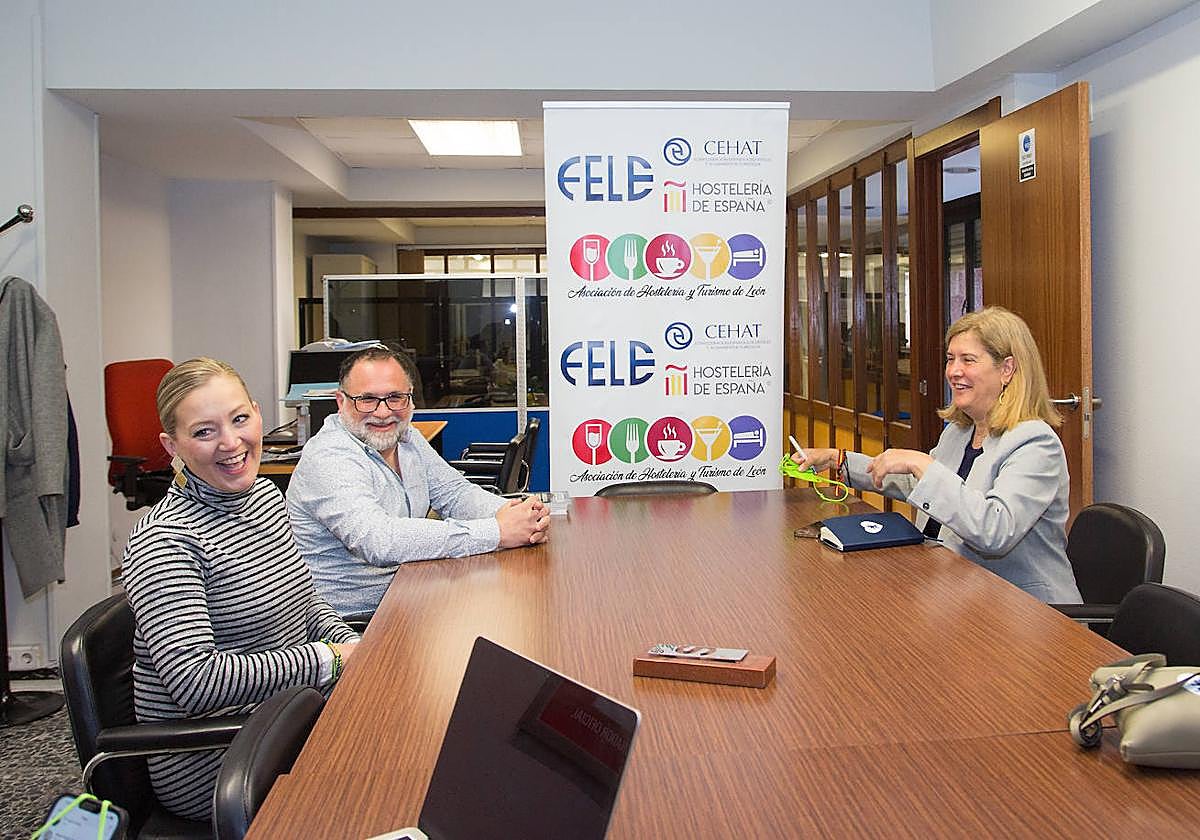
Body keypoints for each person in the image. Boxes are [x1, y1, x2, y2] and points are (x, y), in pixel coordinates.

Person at [121, 358, 359, 822]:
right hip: (219, 757)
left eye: (239, 419)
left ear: (257, 413)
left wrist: (350, 643)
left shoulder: (265, 499)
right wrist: (328, 660)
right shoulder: (166, 542)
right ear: (174, 445)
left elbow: (305, 606)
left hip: (288, 714)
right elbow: (196, 684)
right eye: (204, 432)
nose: (231, 443)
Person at [795, 306, 1081, 603]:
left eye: (968, 360)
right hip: (958, 590)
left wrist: (923, 463)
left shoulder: (1034, 442)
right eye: (950, 359)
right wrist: (838, 460)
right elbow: (924, 485)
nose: (953, 371)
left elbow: (995, 530)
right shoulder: (960, 431)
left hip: (1028, 613)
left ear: (1006, 369)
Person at [286, 346, 549, 616]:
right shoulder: (329, 457)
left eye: (395, 398)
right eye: (366, 400)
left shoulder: (406, 437)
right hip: (358, 621)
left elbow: (454, 493)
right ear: (341, 402)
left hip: (412, 589)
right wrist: (497, 531)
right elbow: (379, 540)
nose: (382, 412)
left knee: (525, 607)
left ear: (410, 400)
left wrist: (512, 513)